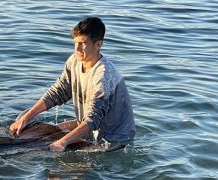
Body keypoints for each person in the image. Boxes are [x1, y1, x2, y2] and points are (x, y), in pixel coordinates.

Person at [10, 17, 135, 151]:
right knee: (28, 132)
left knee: (57, 157)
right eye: (75, 43)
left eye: (83, 43)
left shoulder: (103, 76)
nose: (77, 48)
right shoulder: (74, 61)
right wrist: (25, 118)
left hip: (114, 140)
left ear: (98, 45)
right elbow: (58, 92)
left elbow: (93, 120)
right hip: (89, 128)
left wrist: (62, 142)